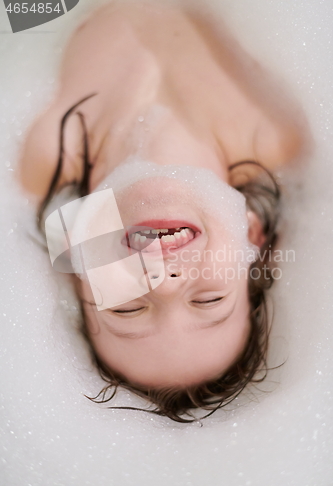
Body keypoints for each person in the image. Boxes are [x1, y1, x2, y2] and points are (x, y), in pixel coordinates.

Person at [17, 0, 305, 422]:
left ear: (75, 254)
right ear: (252, 236)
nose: (165, 284)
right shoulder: (276, 131)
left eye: (127, 309)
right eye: (208, 300)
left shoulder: (37, 155)